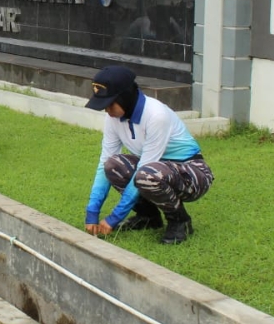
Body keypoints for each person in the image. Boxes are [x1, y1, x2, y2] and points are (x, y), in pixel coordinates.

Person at [82, 65, 213, 245]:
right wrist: (92, 212)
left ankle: (180, 221)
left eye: (110, 104)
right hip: (154, 169)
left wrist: (115, 217)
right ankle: (148, 217)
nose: (106, 110)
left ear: (125, 97)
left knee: (147, 175)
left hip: (193, 174)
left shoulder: (156, 115)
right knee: (112, 165)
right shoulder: (112, 118)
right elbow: (104, 162)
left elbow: (144, 169)